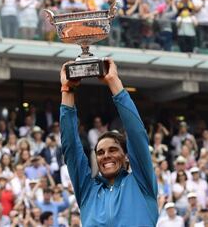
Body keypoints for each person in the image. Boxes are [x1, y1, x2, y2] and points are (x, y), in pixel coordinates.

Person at [59, 58, 158, 225]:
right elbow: (71, 149)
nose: (106, 156)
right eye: (100, 152)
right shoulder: (87, 191)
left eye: (113, 150)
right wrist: (67, 89)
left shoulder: (142, 183)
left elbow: (136, 133)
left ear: (126, 156)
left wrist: (114, 82)